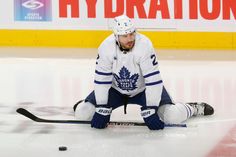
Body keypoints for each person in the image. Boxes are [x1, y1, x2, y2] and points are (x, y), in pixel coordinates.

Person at [73, 15, 214, 130]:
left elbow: (153, 80)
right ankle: (83, 103)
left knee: (172, 116)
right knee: (83, 113)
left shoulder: (144, 45)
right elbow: (102, 79)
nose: (130, 39)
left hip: (143, 90)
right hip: (115, 90)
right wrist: (102, 106)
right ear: (116, 36)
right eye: (125, 36)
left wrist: (152, 107)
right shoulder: (106, 47)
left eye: (131, 34)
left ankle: (193, 108)